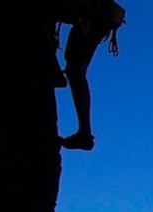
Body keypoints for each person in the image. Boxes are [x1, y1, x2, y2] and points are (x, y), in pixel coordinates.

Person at [52, 0, 124, 151]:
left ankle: (84, 132)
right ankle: (84, 132)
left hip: (94, 13)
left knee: (75, 68)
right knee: (75, 67)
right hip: (96, 14)